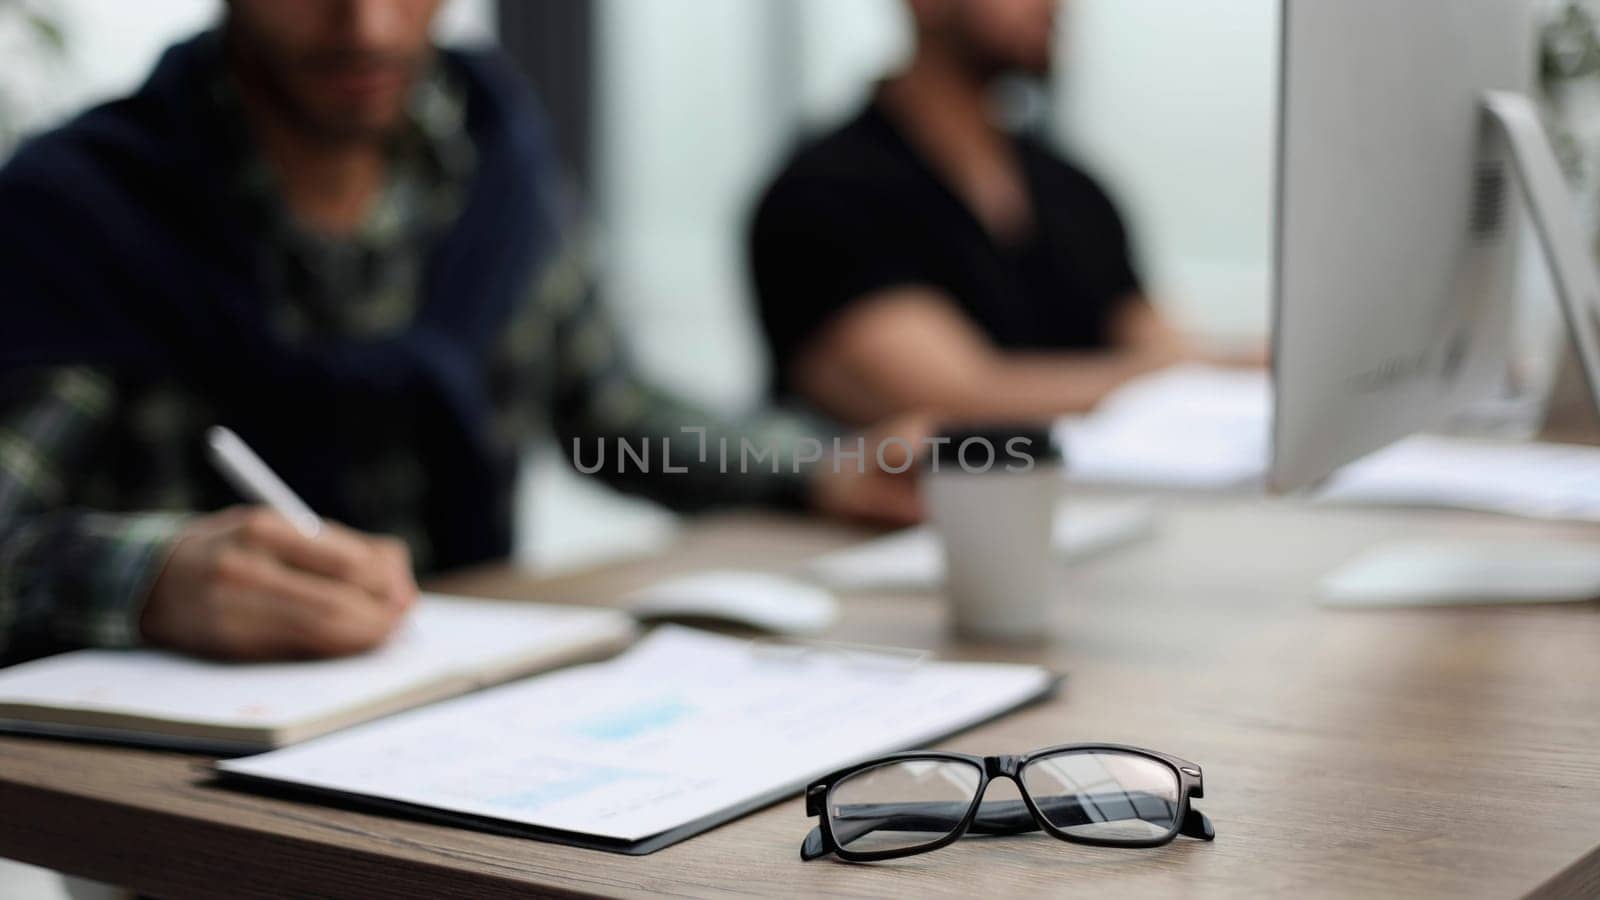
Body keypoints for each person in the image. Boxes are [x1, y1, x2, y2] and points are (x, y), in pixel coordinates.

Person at [0, 0, 922, 666]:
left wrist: (818, 467)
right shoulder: (84, 215)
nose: (367, 25)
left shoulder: (496, 170)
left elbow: (612, 412)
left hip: (473, 743)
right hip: (190, 814)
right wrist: (152, 580)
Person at [749, 0, 1198, 427]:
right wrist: (1171, 373)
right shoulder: (822, 192)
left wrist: (1221, 364)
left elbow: (1158, 341)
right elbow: (953, 399)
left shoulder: (1073, 191)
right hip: (910, 507)